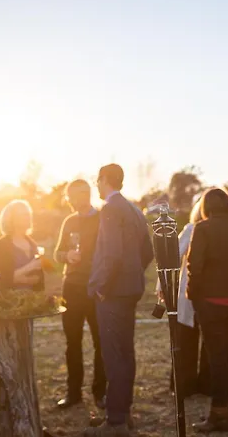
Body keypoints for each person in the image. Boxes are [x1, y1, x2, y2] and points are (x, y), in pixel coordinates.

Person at [84, 164, 154, 437]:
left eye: (97, 180)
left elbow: (111, 254)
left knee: (114, 356)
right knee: (125, 353)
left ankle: (115, 422)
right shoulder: (134, 209)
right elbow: (147, 250)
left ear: (104, 180)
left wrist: (102, 286)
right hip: (129, 289)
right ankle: (123, 414)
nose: (96, 185)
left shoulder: (111, 208)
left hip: (113, 293)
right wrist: (133, 273)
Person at [186, 188, 228, 433]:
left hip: (210, 299)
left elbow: (194, 265)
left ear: (206, 207)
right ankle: (225, 407)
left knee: (216, 358)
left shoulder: (202, 228)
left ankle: (219, 413)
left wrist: (192, 294)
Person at [54, 180, 107, 409]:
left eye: (79, 195)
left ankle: (100, 393)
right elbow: (57, 253)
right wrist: (66, 256)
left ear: (87, 194)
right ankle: (73, 393)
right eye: (71, 196)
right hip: (72, 288)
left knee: (100, 342)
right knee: (72, 342)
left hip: (96, 289)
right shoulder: (69, 221)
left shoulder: (102, 219)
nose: (75, 200)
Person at [155, 198, 211, 398]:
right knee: (197, 340)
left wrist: (161, 286)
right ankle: (196, 384)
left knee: (193, 340)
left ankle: (194, 384)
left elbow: (171, 258)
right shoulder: (193, 229)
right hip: (198, 294)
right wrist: (162, 285)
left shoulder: (198, 229)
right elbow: (172, 257)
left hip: (199, 294)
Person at [0, 199, 44, 293]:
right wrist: (30, 267)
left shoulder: (33, 245)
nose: (27, 217)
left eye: (28, 214)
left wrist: (22, 279)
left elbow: (38, 279)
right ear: (11, 219)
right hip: (8, 300)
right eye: (23, 215)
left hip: (32, 299)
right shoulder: (0, 246)